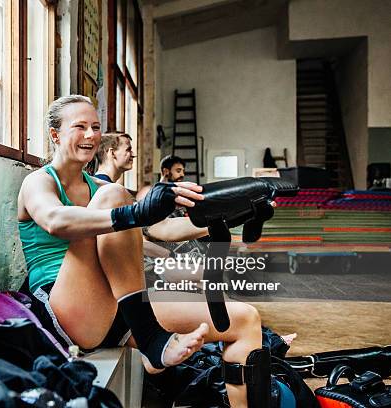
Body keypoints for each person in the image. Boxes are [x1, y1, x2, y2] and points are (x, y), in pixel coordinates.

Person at [17, 95, 264, 408]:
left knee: (244, 319)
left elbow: (160, 231)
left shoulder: (97, 186)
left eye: (95, 126)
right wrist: (134, 213)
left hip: (120, 307)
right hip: (69, 307)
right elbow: (55, 220)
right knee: (114, 196)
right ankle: (150, 337)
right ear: (55, 134)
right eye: (80, 127)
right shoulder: (38, 182)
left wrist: (234, 216)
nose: (91, 135)